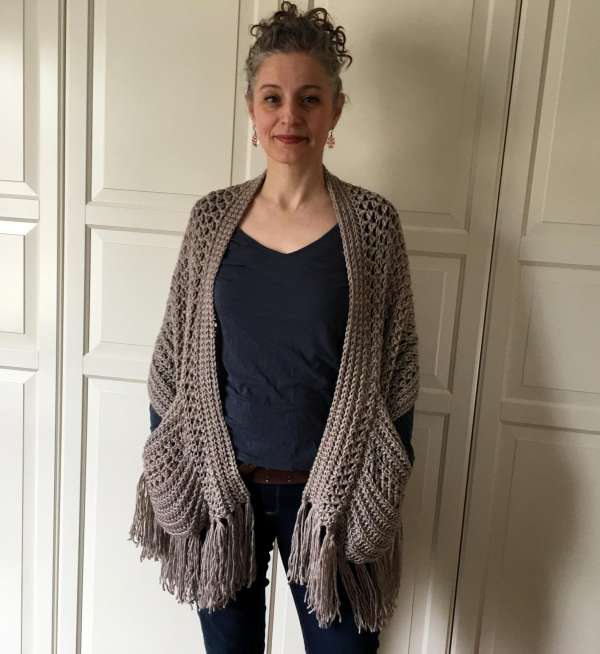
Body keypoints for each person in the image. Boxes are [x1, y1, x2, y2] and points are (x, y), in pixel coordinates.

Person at [133, 3, 419, 653]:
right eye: (273, 98)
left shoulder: (373, 225)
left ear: (335, 111)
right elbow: (173, 358)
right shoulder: (211, 220)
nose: (290, 116)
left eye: (309, 98)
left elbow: (399, 365)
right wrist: (170, 459)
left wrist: (387, 474)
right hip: (222, 495)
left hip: (334, 502)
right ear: (252, 110)